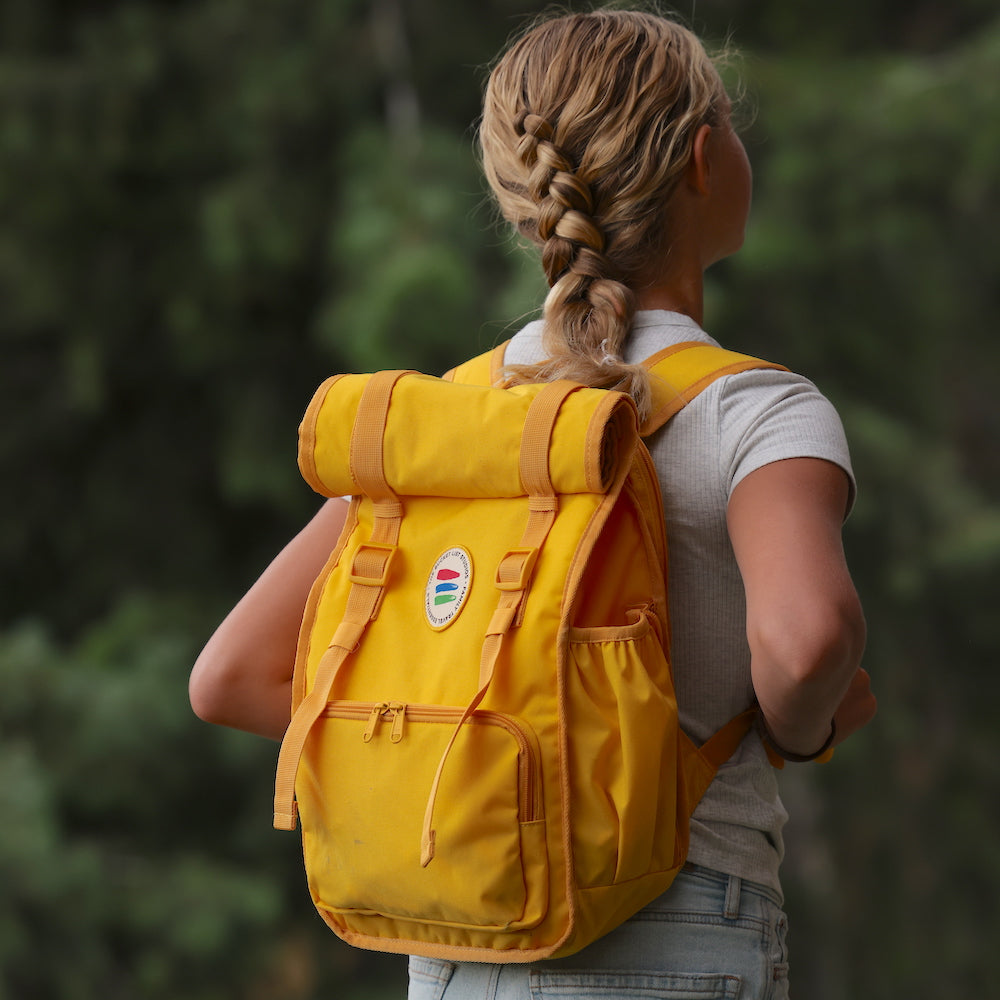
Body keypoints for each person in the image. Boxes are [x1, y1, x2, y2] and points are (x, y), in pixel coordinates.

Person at [190, 7, 877, 998]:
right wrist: (801, 727)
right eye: (730, 120)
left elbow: (231, 678)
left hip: (465, 945)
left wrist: (479, 776)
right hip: (676, 925)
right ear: (702, 159)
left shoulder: (448, 421)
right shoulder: (756, 409)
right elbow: (807, 643)